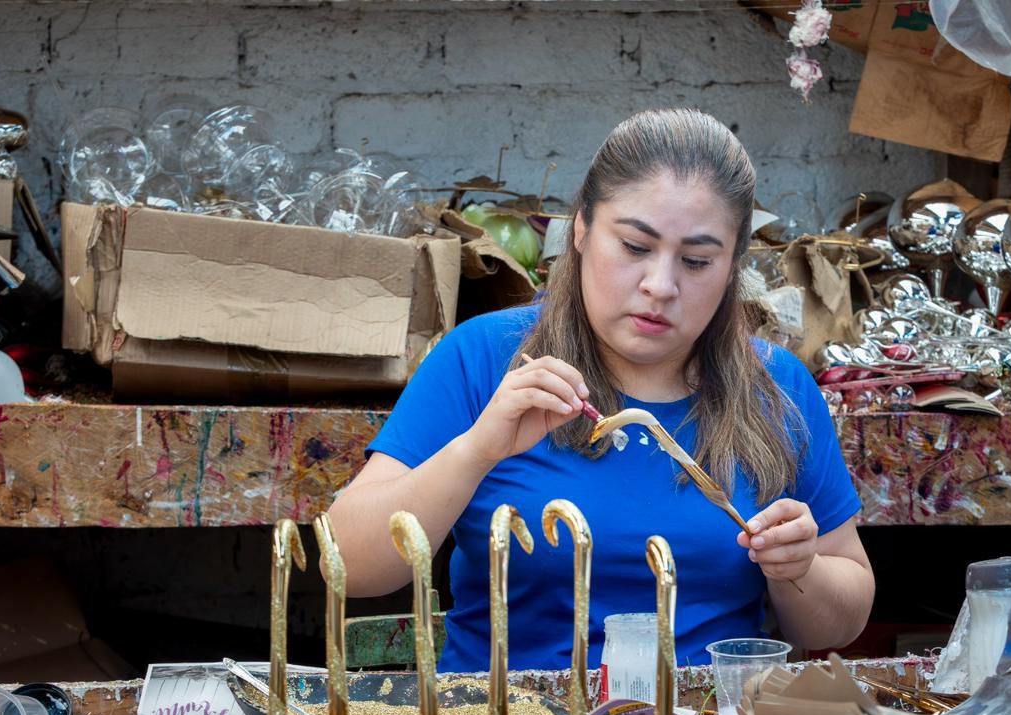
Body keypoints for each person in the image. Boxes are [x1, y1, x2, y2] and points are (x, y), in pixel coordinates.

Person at [329, 108, 874, 672]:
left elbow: (838, 622)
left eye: (696, 261)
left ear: (732, 265)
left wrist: (801, 569)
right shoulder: (484, 358)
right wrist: (475, 451)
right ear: (582, 229)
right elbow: (349, 565)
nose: (660, 286)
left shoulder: (778, 387)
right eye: (635, 246)